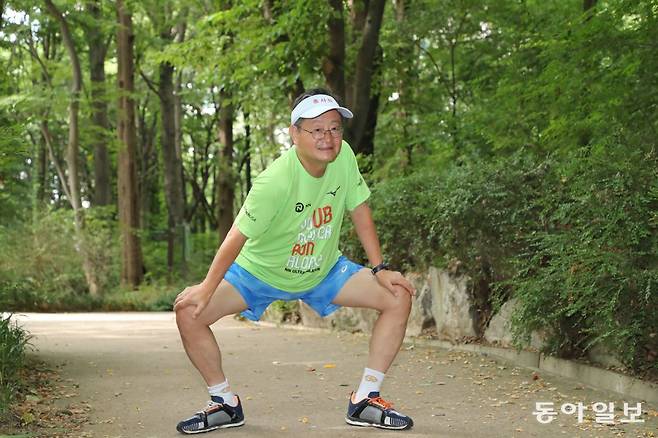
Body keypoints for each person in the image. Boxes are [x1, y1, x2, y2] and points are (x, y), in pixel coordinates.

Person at [173, 88, 416, 434]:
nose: (327, 138)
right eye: (316, 130)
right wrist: (206, 288)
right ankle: (224, 403)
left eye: (334, 128)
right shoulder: (274, 181)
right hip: (259, 274)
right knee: (187, 311)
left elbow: (359, 208)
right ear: (294, 134)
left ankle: (365, 400)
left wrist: (380, 268)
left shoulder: (344, 156)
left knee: (398, 295)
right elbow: (236, 237)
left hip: (323, 270)